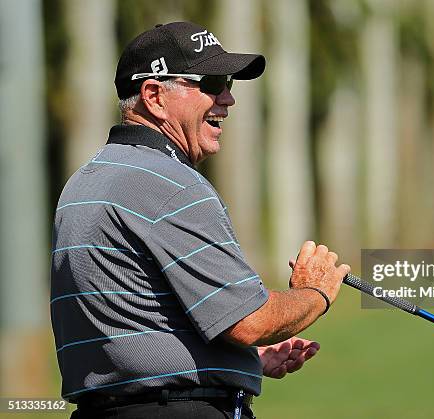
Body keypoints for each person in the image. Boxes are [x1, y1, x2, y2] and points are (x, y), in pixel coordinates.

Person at [50, 21, 350, 419]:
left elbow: (134, 330)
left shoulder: (85, 181)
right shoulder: (169, 183)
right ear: (154, 96)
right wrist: (316, 292)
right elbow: (249, 322)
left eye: (228, 82)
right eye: (211, 82)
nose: (227, 98)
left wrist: (232, 365)